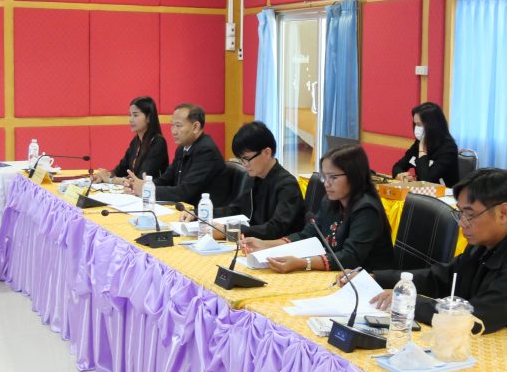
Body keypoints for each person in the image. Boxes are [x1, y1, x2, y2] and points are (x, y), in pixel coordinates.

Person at [370, 168, 507, 341]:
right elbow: (441, 278)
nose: (462, 223)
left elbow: (477, 317)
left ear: (503, 213)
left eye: (470, 215)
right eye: (460, 213)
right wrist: (378, 278)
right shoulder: (483, 243)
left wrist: (410, 302)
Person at [239, 144, 394, 274]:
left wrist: (303, 263)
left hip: (370, 284)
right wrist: (265, 244)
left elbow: (349, 257)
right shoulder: (331, 202)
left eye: (333, 177)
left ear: (354, 176)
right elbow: (308, 234)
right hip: (338, 276)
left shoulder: (366, 209)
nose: (326, 183)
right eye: (324, 176)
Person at [181, 121, 304, 240]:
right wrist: (198, 214)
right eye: (240, 160)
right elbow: (235, 210)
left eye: (247, 159)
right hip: (252, 242)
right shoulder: (255, 177)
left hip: (279, 248)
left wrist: (229, 230)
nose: (244, 164)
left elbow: (275, 229)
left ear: (267, 153)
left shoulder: (287, 185)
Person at [126, 103, 227, 206]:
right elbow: (166, 179)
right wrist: (144, 185)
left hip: (204, 212)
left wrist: (146, 190)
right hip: (184, 208)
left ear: (195, 127)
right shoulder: (182, 148)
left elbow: (185, 192)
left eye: (178, 126)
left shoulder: (206, 151)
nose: (173, 131)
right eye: (172, 125)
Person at [92, 96, 168, 185]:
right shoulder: (135, 142)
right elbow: (121, 169)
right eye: (130, 115)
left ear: (148, 117)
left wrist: (110, 180)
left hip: (153, 192)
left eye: (135, 115)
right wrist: (104, 176)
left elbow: (140, 180)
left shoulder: (158, 142)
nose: (131, 119)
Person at [391, 102, 460, 187]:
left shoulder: (448, 148)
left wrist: (422, 151)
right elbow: (398, 166)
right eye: (415, 124)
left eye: (419, 125)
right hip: (422, 193)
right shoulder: (419, 143)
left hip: (443, 193)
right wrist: (400, 175)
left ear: (433, 125)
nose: (416, 128)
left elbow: (427, 181)